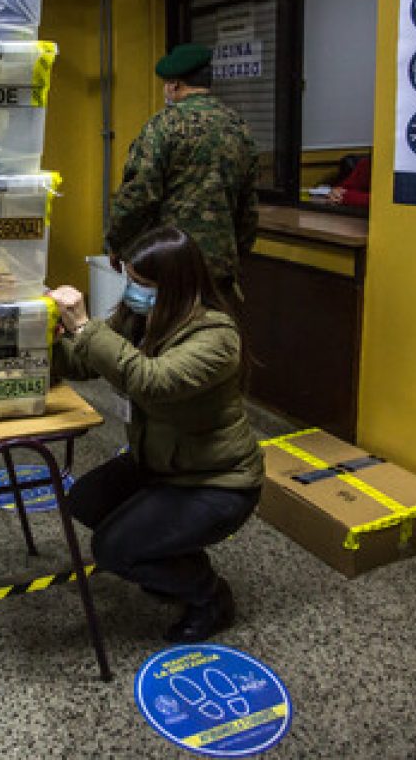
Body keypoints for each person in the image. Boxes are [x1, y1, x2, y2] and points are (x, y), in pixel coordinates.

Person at [49, 225, 262, 643]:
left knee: (112, 550)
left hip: (216, 481)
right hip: (160, 461)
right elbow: (85, 363)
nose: (133, 292)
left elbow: (150, 380)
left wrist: (86, 327)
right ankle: (169, 553)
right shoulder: (142, 317)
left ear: (178, 286)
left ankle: (210, 596)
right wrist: (48, 339)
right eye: (130, 280)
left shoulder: (216, 336)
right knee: (85, 502)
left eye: (143, 284)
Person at [106, 43, 259, 297]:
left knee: (170, 333)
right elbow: (248, 206)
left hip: (170, 261)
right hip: (219, 268)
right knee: (213, 332)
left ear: (174, 85)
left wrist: (117, 242)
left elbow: (138, 195)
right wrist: (236, 254)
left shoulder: (164, 125)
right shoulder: (238, 127)